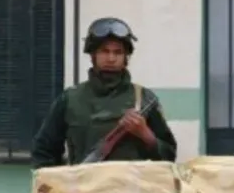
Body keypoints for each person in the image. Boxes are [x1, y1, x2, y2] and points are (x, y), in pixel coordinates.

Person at [31, 17, 177, 168]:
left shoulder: (144, 99)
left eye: (118, 52)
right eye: (104, 51)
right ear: (92, 55)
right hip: (85, 181)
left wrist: (145, 134)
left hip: (131, 182)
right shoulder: (69, 99)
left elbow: (169, 155)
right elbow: (44, 152)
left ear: (125, 57)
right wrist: (61, 180)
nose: (111, 58)